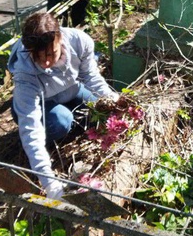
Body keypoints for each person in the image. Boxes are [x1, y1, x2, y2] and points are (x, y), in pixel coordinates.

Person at [7, 11, 118, 199]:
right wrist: (49, 182)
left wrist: (112, 99)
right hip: (42, 104)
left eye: (51, 54)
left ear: (60, 38)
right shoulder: (24, 72)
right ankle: (44, 148)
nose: (47, 62)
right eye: (39, 58)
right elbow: (30, 126)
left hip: (71, 91)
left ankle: (70, 126)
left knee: (101, 112)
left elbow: (90, 76)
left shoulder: (79, 41)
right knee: (61, 121)